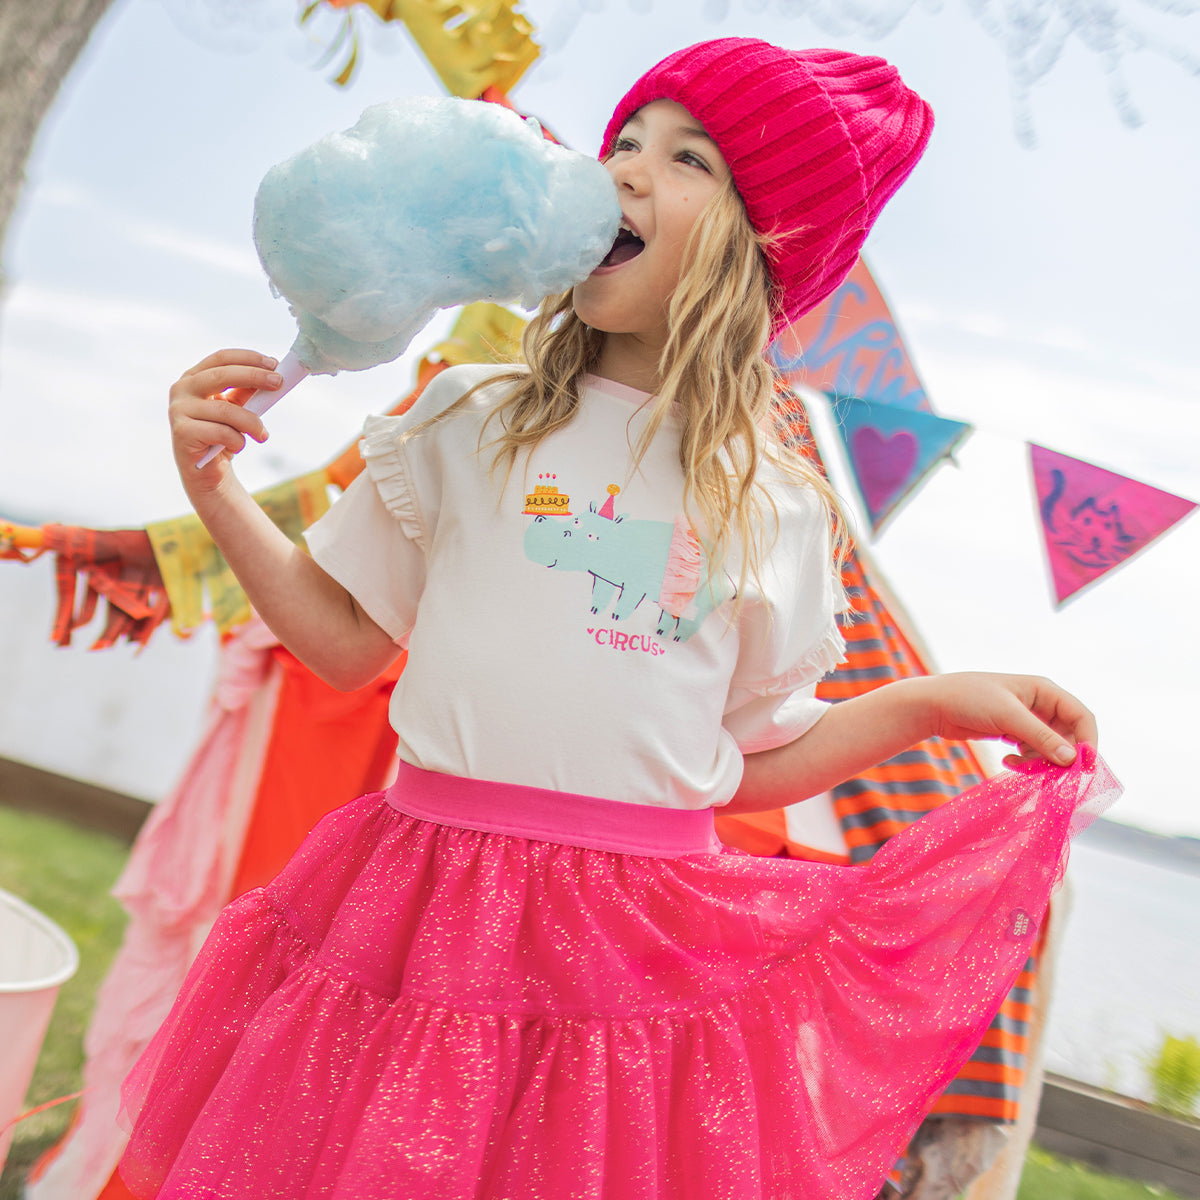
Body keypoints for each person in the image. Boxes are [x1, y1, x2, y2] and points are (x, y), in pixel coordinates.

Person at [118, 38, 1115, 1200]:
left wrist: (933, 704)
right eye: (625, 141)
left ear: (760, 256)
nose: (630, 169)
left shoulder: (775, 501)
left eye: (688, 158)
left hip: (633, 952)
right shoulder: (470, 418)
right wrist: (216, 490)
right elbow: (342, 642)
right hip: (422, 903)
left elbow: (742, 765)